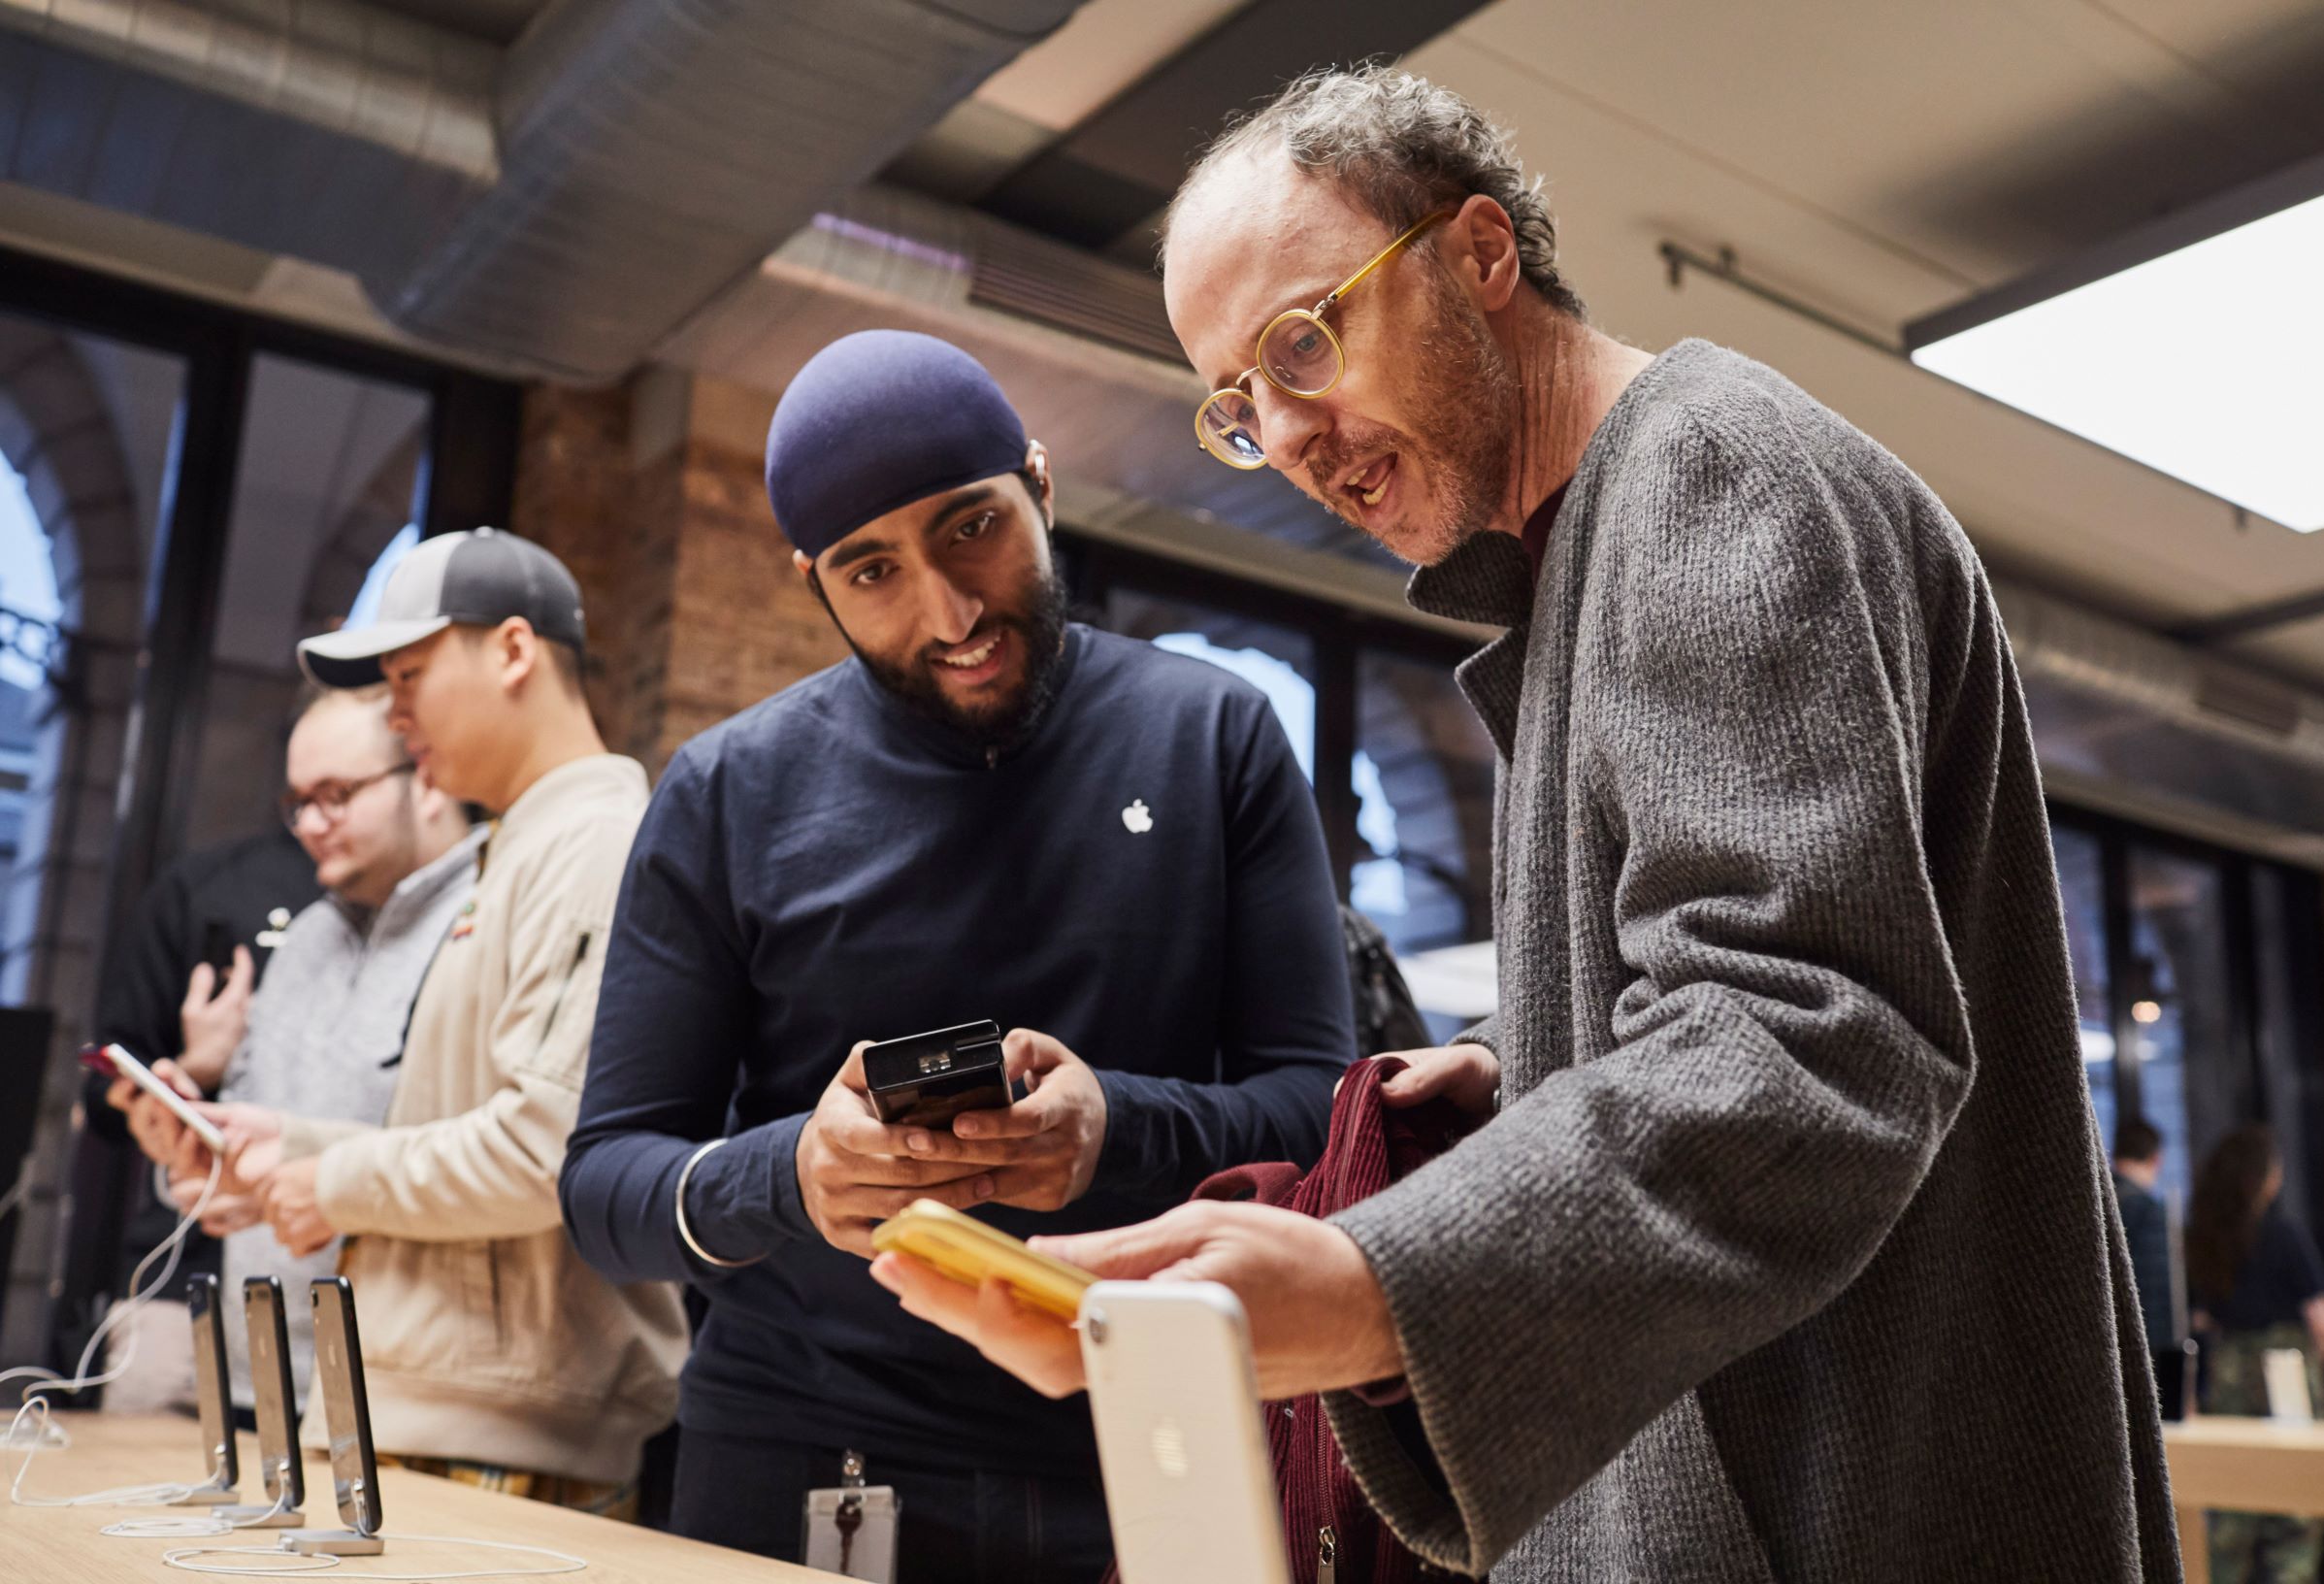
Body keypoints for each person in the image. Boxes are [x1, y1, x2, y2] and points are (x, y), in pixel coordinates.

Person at [878, 64, 2180, 1583]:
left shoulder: (1707, 477)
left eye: (1304, 341)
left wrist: (1380, 1282)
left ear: (1480, 255)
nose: (1286, 433)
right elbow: (1792, 966)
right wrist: (1534, 1059)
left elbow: (1813, 1030)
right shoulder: (1586, 553)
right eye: (1238, 401)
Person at [561, 330, 1352, 1580]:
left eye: (970, 526)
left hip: (1141, 1431)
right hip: (802, 1448)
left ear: (1040, 486)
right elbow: (606, 1189)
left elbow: (1320, 1112)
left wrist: (1119, 1128)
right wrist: (795, 1173)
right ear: (811, 580)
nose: (950, 610)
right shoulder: (727, 791)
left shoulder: (1214, 737)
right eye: (871, 570)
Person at [162, 528, 686, 1517]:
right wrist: (293, 1143)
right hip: (432, 1404)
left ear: (515, 651)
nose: (394, 712)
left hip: (505, 1424)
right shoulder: (527, 842)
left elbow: (547, 1148)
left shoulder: (590, 844)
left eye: (410, 674)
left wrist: (331, 1181)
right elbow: (480, 1122)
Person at [115, 684, 478, 1413]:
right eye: (298, 802)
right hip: (255, 1366)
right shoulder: (308, 936)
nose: (310, 824)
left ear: (427, 776)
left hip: (404, 1387)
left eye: (336, 795)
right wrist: (197, 1161)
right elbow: (263, 1136)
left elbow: (487, 1158)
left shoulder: (484, 919)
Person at [67, 820, 317, 1410]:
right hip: (186, 1278)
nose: (323, 821)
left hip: (340, 1290)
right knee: (140, 1476)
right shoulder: (207, 884)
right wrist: (197, 1070)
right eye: (313, 798)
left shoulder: (418, 899)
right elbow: (107, 1093)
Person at [2188, 1125, 2324, 1584]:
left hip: (2227, 1369)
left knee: (2230, 1505)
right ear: (2265, 1176)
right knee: (2296, 1506)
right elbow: (2323, 1319)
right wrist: (2318, 1369)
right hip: (2285, 1367)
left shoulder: (2204, 1238)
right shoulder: (2283, 1233)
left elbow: (2201, 1319)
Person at [2114, 1119, 2179, 1354]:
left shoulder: (2095, 1201)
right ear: (2156, 1159)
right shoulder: (2149, 1210)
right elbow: (2160, 1289)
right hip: (2146, 1343)